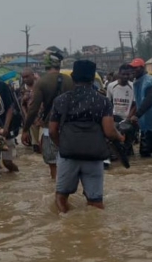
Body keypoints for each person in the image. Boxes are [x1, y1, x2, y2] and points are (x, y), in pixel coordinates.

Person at [48, 60, 124, 214]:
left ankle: (66, 225)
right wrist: (120, 137)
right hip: (94, 156)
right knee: (95, 202)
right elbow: (109, 131)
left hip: (68, 154)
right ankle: (95, 232)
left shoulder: (61, 100)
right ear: (92, 79)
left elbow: (52, 131)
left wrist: (62, 145)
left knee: (61, 197)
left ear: (73, 78)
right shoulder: (103, 101)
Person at [21, 51, 75, 179]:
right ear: (59, 65)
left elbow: (33, 109)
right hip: (69, 128)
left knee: (53, 163)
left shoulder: (41, 82)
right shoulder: (70, 80)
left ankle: (57, 191)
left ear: (45, 66)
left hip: (49, 128)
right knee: (69, 162)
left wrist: (25, 129)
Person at [20, 68, 42, 153]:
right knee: (35, 141)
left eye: (27, 76)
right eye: (23, 77)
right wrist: (26, 116)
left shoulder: (40, 85)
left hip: (43, 116)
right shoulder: (23, 89)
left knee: (44, 138)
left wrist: (39, 79)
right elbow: (22, 104)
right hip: (31, 117)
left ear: (33, 75)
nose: (25, 79)